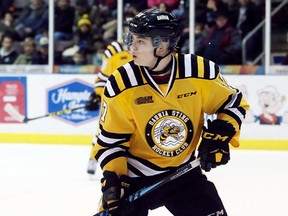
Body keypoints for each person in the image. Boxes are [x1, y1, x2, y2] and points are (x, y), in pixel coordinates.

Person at [92, 8, 249, 216]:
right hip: (132, 179)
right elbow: (110, 142)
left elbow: (233, 103)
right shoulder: (121, 82)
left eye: (140, 41)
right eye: (131, 39)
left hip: (183, 174)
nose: (131, 47)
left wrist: (220, 135)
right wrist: (114, 183)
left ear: (162, 45)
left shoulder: (199, 71)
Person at [85, 41, 133, 175]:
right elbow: (103, 77)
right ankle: (94, 157)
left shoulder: (150, 46)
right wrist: (97, 95)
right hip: (116, 100)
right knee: (105, 129)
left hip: (140, 100)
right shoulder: (114, 49)